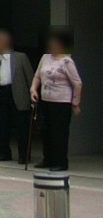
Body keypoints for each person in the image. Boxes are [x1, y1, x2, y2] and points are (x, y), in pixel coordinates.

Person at [31, 30, 83, 172]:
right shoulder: (45, 57)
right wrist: (33, 89)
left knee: (58, 133)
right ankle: (47, 158)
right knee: (45, 130)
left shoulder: (67, 61)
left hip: (61, 102)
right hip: (46, 99)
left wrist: (75, 102)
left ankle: (60, 161)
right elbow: (37, 76)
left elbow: (77, 83)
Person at [0, 29, 34, 164]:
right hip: (0, 94)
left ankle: (24, 155)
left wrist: (32, 96)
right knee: (1, 126)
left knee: (22, 126)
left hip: (17, 93)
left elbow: (30, 78)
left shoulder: (20, 57)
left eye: (0, 41)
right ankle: (3, 153)